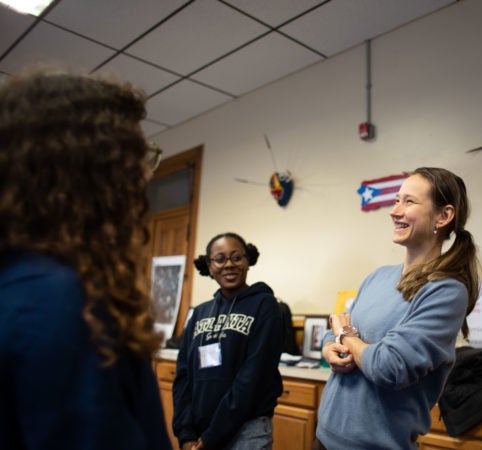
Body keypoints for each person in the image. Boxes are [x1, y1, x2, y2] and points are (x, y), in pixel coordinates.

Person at [0, 67, 172, 449]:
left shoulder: (18, 282)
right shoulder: (60, 302)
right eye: (137, 159)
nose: (145, 177)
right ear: (89, 172)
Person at [314, 167, 482, 449]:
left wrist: (345, 334)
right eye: (396, 200)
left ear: (443, 216)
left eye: (409, 202)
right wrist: (331, 346)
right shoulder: (378, 277)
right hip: (325, 437)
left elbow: (388, 366)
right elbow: (343, 331)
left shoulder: (446, 291)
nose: (395, 211)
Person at [173, 232, 284, 450]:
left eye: (236, 257)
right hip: (198, 433)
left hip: (246, 432)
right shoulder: (199, 313)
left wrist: (212, 437)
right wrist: (186, 435)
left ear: (248, 261)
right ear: (209, 265)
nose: (229, 265)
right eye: (220, 259)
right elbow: (183, 375)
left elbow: (253, 377)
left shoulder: (266, 306)